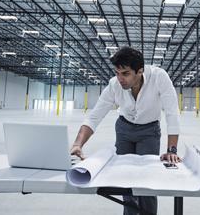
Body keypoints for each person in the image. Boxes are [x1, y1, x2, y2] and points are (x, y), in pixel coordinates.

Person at [70, 46, 181, 215]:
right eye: (117, 73)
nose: (120, 78)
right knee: (124, 180)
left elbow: (172, 113)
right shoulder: (114, 85)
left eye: (126, 73)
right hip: (124, 130)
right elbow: (94, 116)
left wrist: (171, 149)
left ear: (140, 71)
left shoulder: (159, 77)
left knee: (147, 182)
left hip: (149, 131)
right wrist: (78, 144)